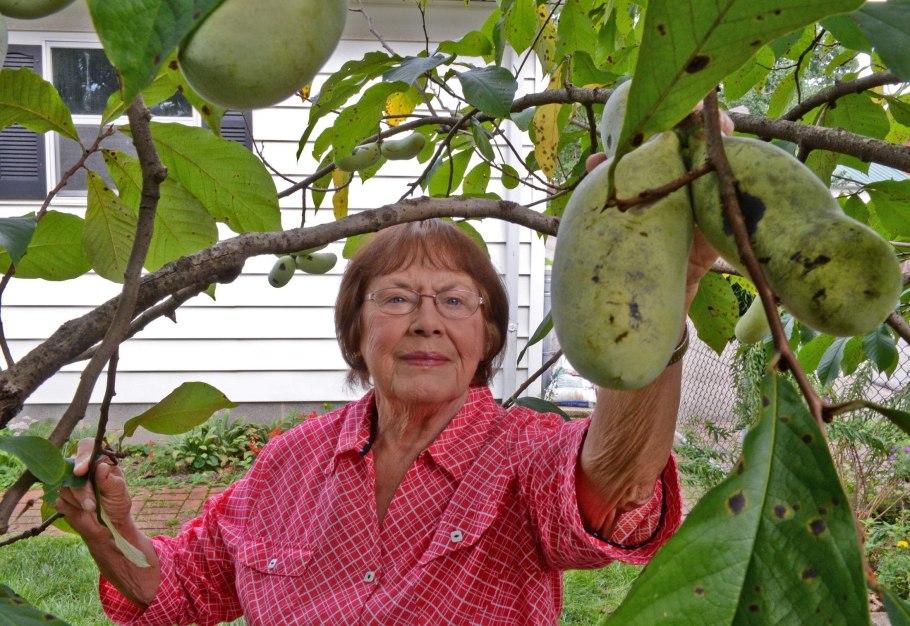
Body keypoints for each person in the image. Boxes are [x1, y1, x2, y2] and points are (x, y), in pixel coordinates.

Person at [57, 181, 720, 623]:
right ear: (357, 332)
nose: (427, 321)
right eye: (399, 298)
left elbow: (617, 482)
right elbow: (178, 589)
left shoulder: (521, 455)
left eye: (455, 301)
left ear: (486, 336)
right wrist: (106, 529)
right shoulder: (287, 466)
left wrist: (661, 293)